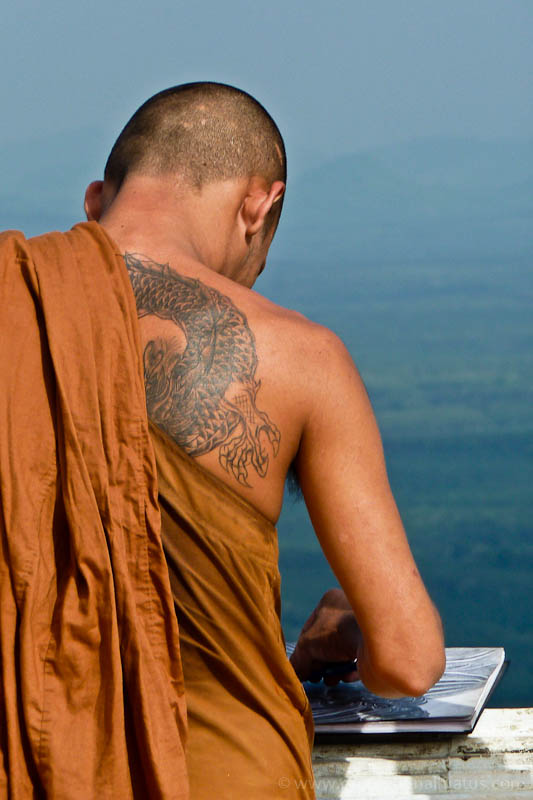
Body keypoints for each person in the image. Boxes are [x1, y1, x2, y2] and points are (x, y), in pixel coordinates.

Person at [82, 82, 445, 798]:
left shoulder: (19, 299)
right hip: (221, 773)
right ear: (259, 204)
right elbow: (407, 659)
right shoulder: (299, 356)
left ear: (96, 200)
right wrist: (340, 631)